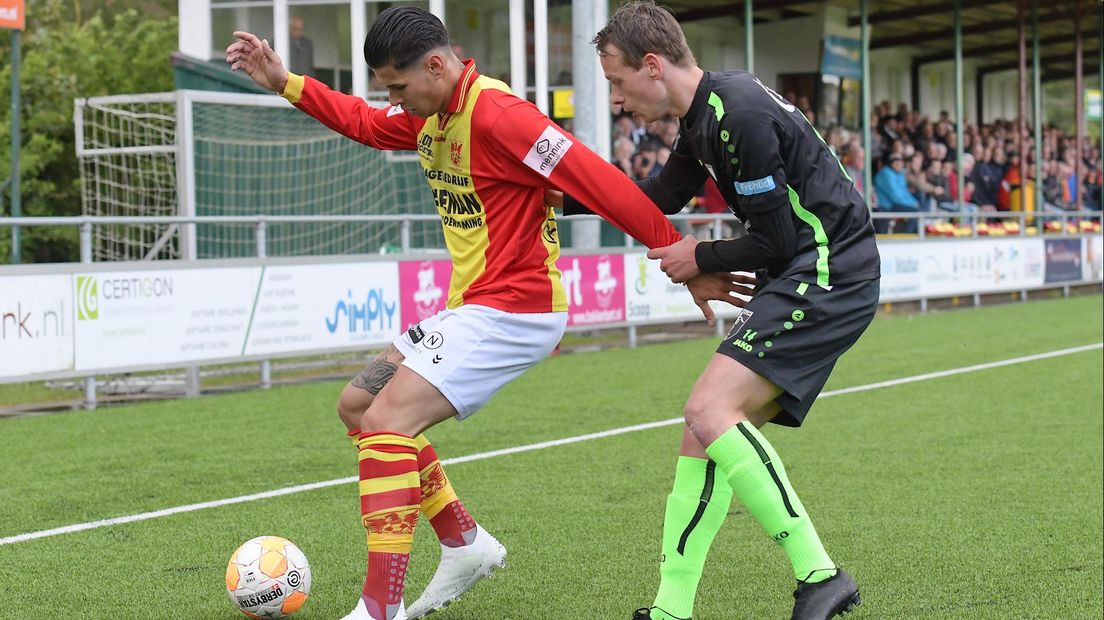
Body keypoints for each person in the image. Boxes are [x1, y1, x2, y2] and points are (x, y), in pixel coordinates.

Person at [226, 8, 746, 620]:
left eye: (398, 86)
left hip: (515, 307)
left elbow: (601, 182)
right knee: (359, 407)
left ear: (438, 65)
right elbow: (367, 123)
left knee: (388, 422)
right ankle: (464, 542)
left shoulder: (500, 115)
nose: (393, 100)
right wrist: (286, 82)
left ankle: (377, 610)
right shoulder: (429, 112)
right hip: (473, 306)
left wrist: (682, 254)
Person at [562, 2, 879, 618]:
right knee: (702, 430)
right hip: (803, 269)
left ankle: (821, 574)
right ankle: (672, 609)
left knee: (709, 409)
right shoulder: (705, 114)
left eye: (617, 83)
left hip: (828, 270)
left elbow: (778, 239)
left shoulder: (737, 113)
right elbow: (651, 199)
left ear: (652, 66)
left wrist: (698, 255)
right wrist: (555, 198)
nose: (618, 99)